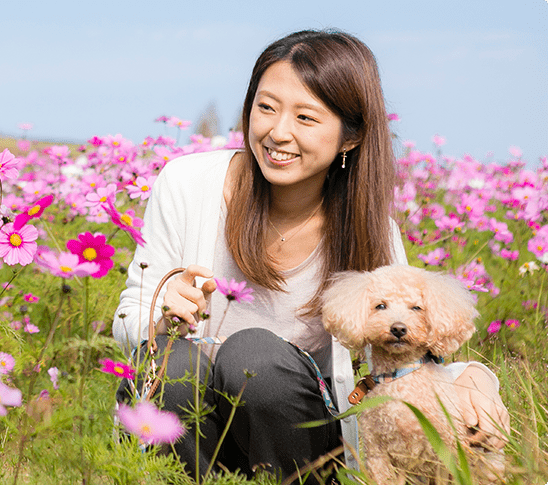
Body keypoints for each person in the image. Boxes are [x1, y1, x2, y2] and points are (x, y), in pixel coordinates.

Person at [113, 29, 509, 483]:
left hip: (295, 437)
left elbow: (404, 349)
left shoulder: (369, 230)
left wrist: (475, 376)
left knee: (254, 355)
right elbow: (128, 324)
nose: (278, 132)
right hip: (191, 431)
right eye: (266, 107)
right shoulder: (187, 184)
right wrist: (161, 316)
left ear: (350, 137)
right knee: (177, 362)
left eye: (305, 117)